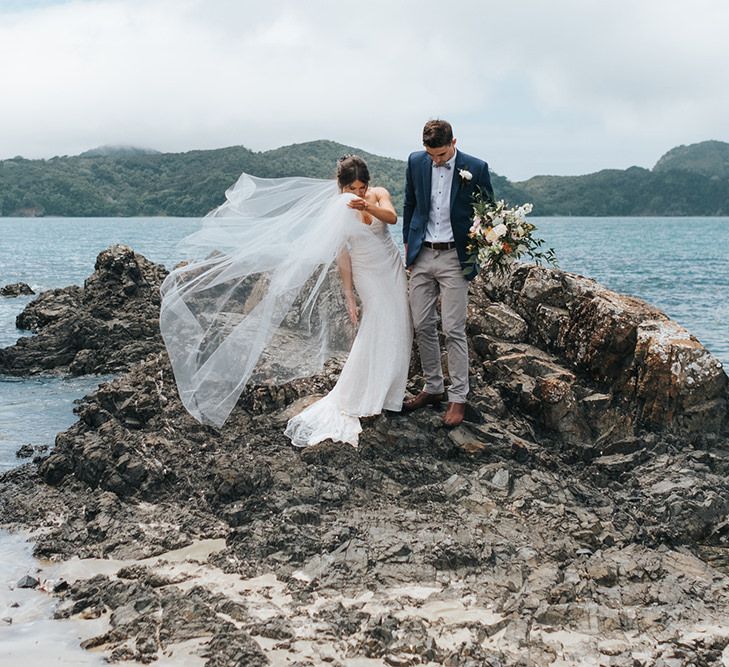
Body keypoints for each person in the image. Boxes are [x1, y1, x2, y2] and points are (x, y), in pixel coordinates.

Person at [159, 156, 411, 448]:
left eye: (361, 186)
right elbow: (343, 254)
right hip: (366, 272)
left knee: (399, 323)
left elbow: (391, 218)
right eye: (351, 188)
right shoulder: (337, 209)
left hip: (390, 266)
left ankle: (390, 394)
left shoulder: (377, 194)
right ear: (340, 187)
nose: (357, 192)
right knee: (376, 324)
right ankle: (362, 394)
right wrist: (348, 295)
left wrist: (367, 204)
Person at [402, 119, 494, 427]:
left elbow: (488, 212)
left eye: (441, 155)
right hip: (422, 254)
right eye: (431, 155)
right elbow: (410, 203)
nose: (435, 160)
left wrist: (479, 245)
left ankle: (458, 398)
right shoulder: (416, 161)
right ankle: (433, 387)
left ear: (454, 143)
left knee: (454, 328)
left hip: (456, 257)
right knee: (421, 323)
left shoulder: (476, 168)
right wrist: (407, 245)